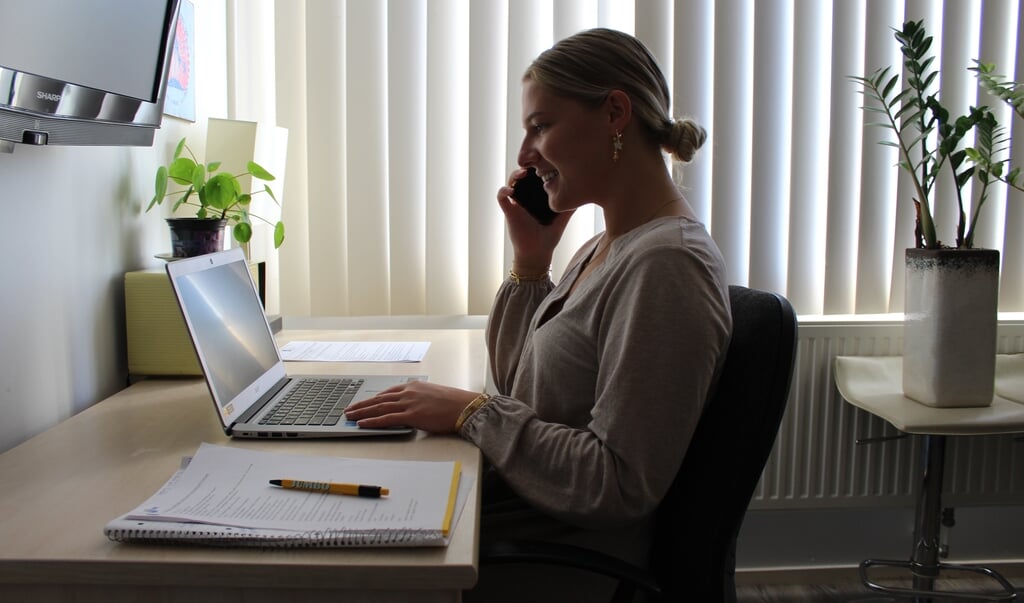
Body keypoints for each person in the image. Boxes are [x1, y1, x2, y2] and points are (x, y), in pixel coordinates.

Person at [345, 27, 732, 600]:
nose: (526, 156)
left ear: (615, 113)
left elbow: (616, 484)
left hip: (559, 559)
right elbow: (519, 385)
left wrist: (473, 413)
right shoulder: (606, 246)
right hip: (515, 516)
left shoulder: (667, 265)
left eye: (541, 126)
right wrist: (531, 263)